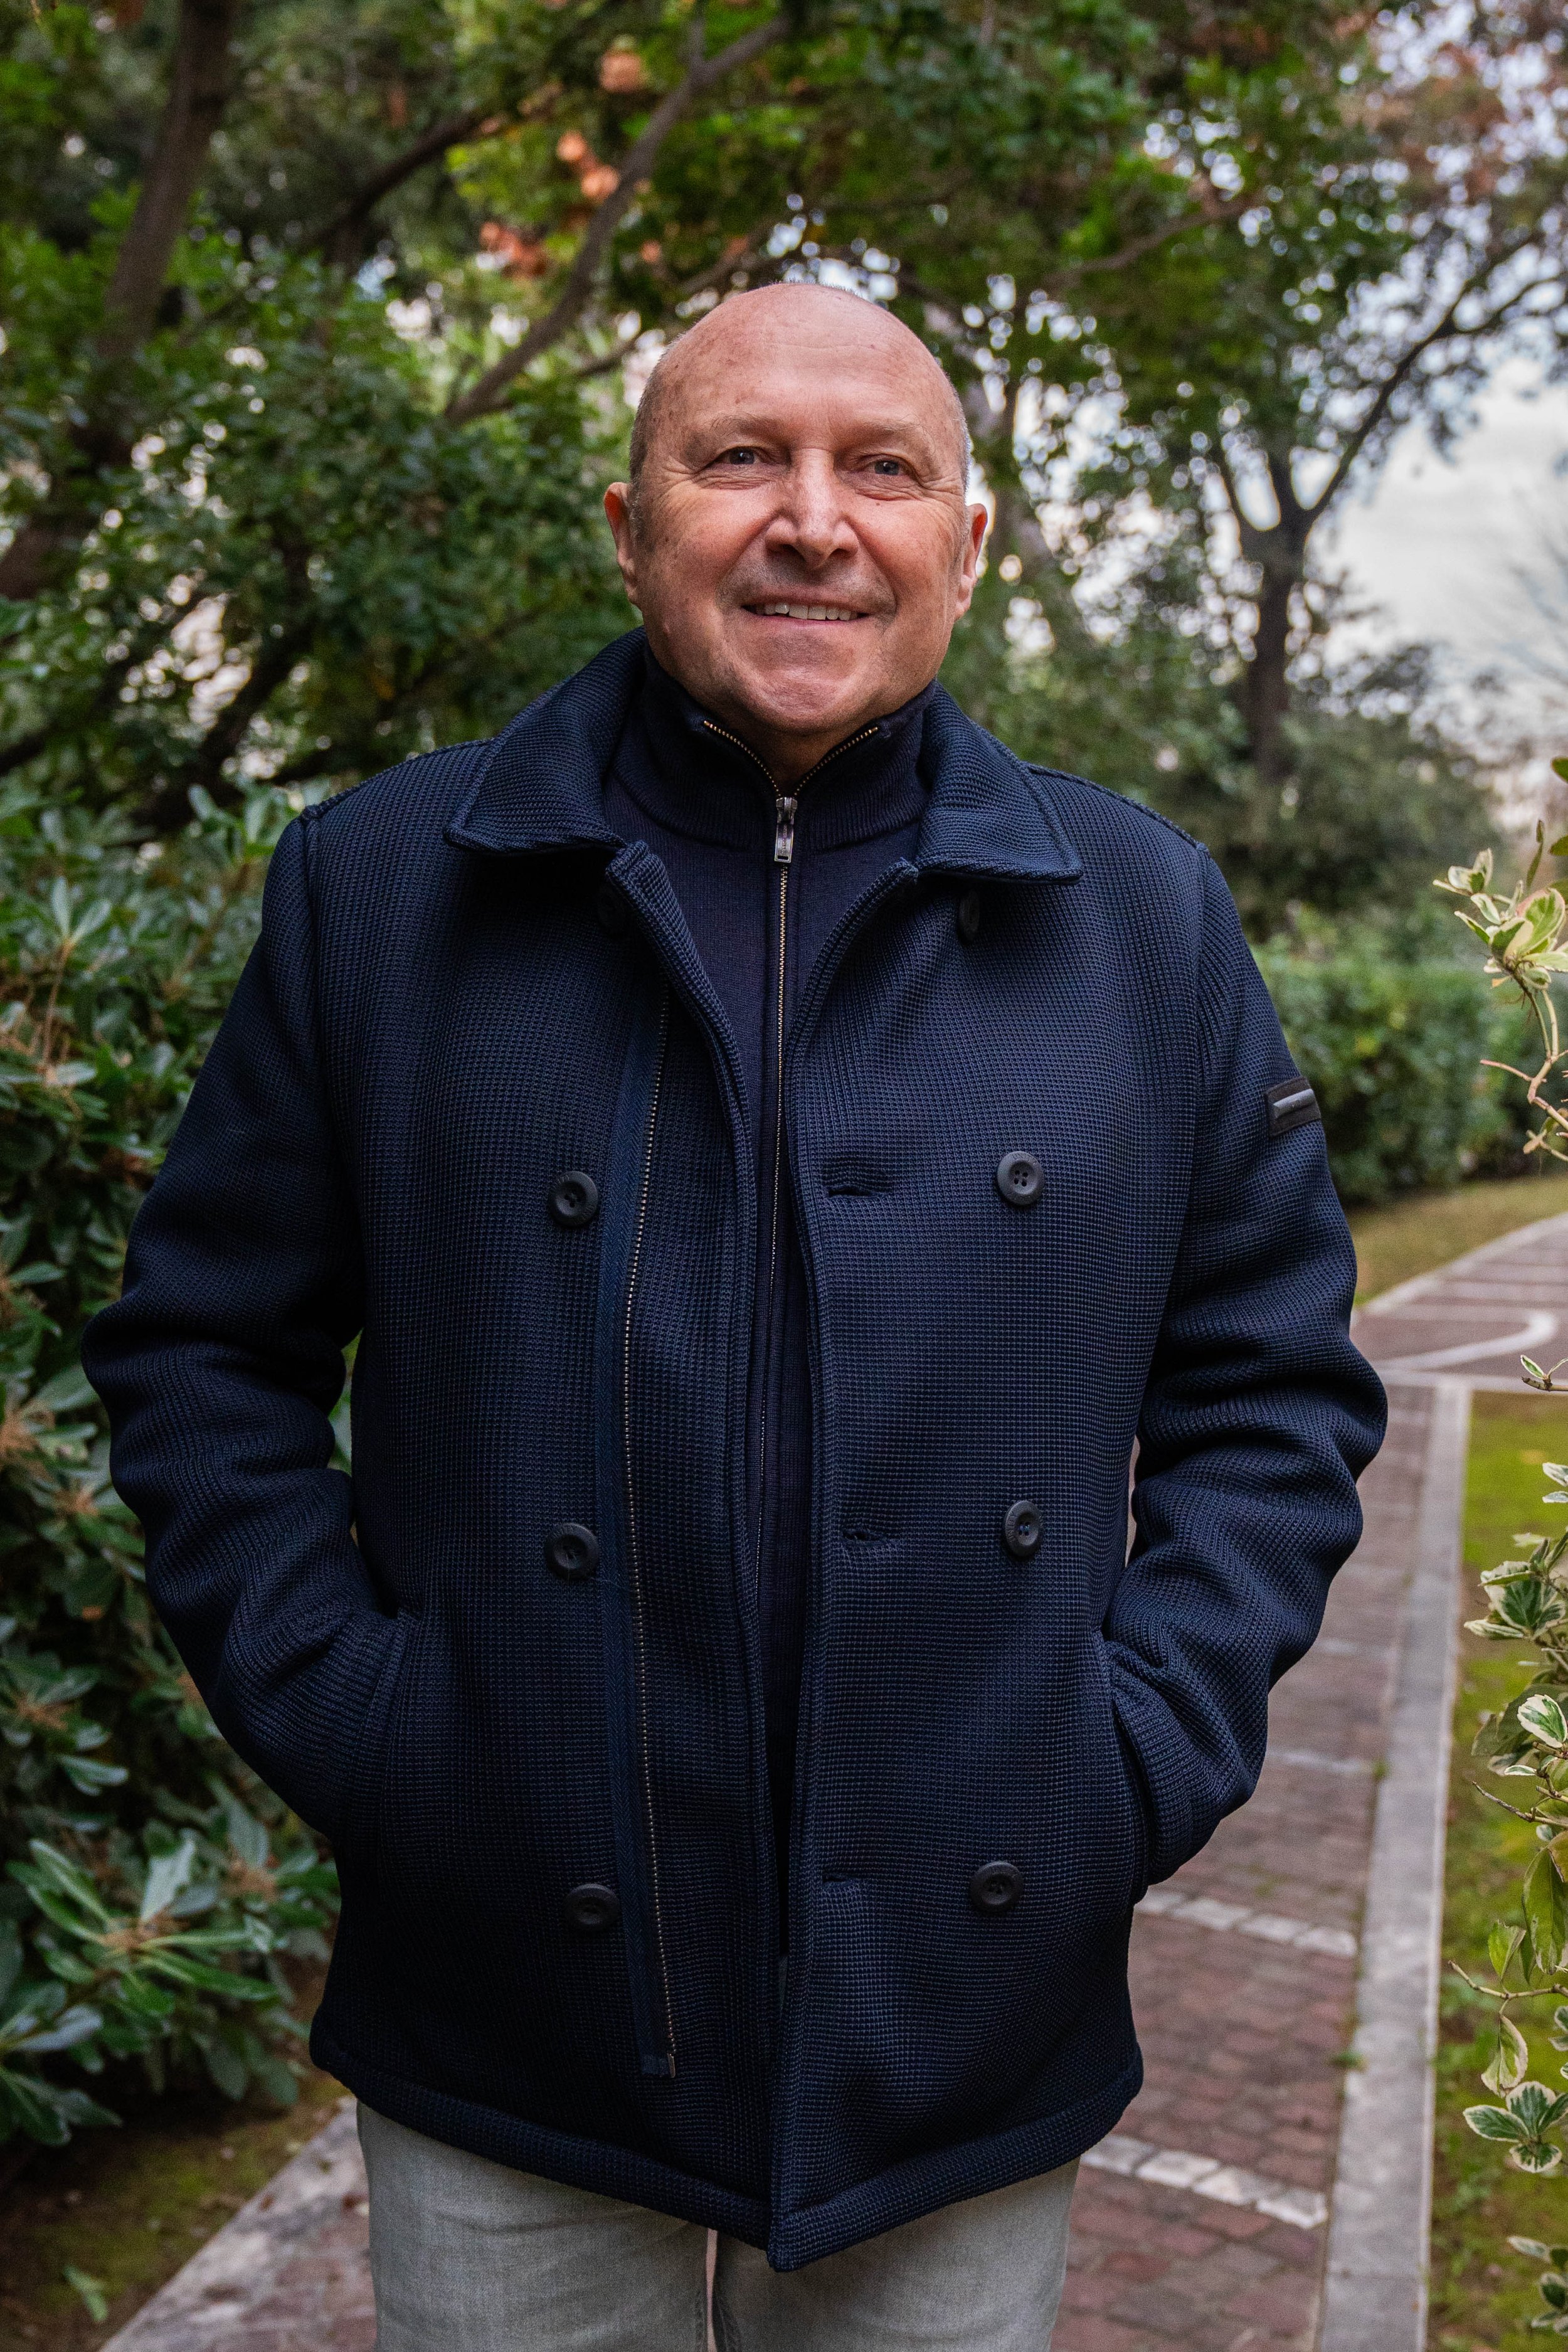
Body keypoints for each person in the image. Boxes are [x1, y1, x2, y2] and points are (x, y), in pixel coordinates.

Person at [83, 283, 1385, 2350]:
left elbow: (1271, 1391)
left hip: (960, 2004)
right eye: (738, 459)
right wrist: (367, 1726)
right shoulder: (383, 883)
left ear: (965, 544)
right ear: (628, 522)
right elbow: (202, 1354)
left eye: (881, 469)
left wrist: (1129, 1755)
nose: (812, 520)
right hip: (509, 1993)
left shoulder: (1138, 916)